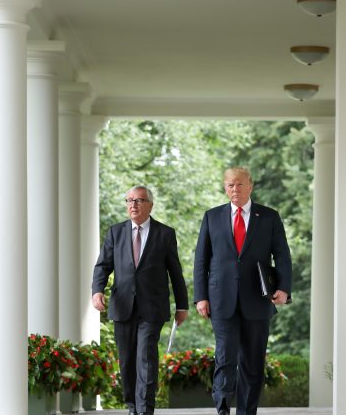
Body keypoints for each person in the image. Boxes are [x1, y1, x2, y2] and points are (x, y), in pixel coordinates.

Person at [194, 167, 292, 415]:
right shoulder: (212, 217)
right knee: (225, 358)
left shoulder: (269, 217)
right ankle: (223, 409)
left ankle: (247, 412)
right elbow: (201, 260)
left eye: (239, 184)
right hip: (221, 300)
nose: (234, 189)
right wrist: (201, 297)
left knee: (252, 363)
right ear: (224, 188)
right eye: (229, 185)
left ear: (250, 186)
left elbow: (282, 255)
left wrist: (283, 288)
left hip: (258, 300)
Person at [92, 185, 188, 415]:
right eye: (130, 200)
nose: (133, 205)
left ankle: (145, 409)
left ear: (150, 205)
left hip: (152, 308)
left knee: (146, 356)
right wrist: (97, 291)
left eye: (139, 200)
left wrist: (182, 305)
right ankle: (133, 406)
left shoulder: (165, 234)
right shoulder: (115, 232)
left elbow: (175, 272)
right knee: (126, 361)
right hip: (122, 306)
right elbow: (103, 266)